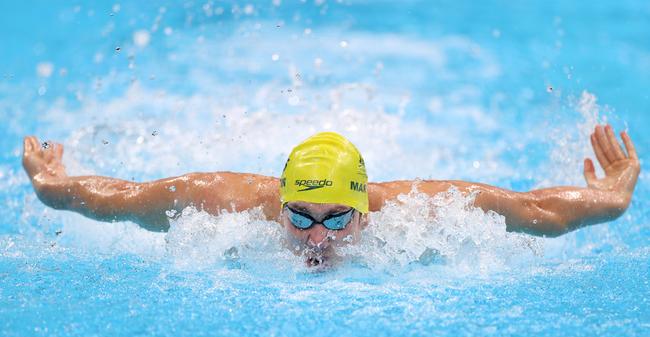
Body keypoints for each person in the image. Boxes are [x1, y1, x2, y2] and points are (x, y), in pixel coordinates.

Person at [22, 125, 640, 265]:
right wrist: (55, 187)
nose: (318, 239)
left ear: (365, 205)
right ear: (280, 201)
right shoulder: (228, 203)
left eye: (339, 218)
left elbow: (533, 210)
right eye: (301, 216)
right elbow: (122, 199)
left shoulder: (418, 210)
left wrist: (611, 200)